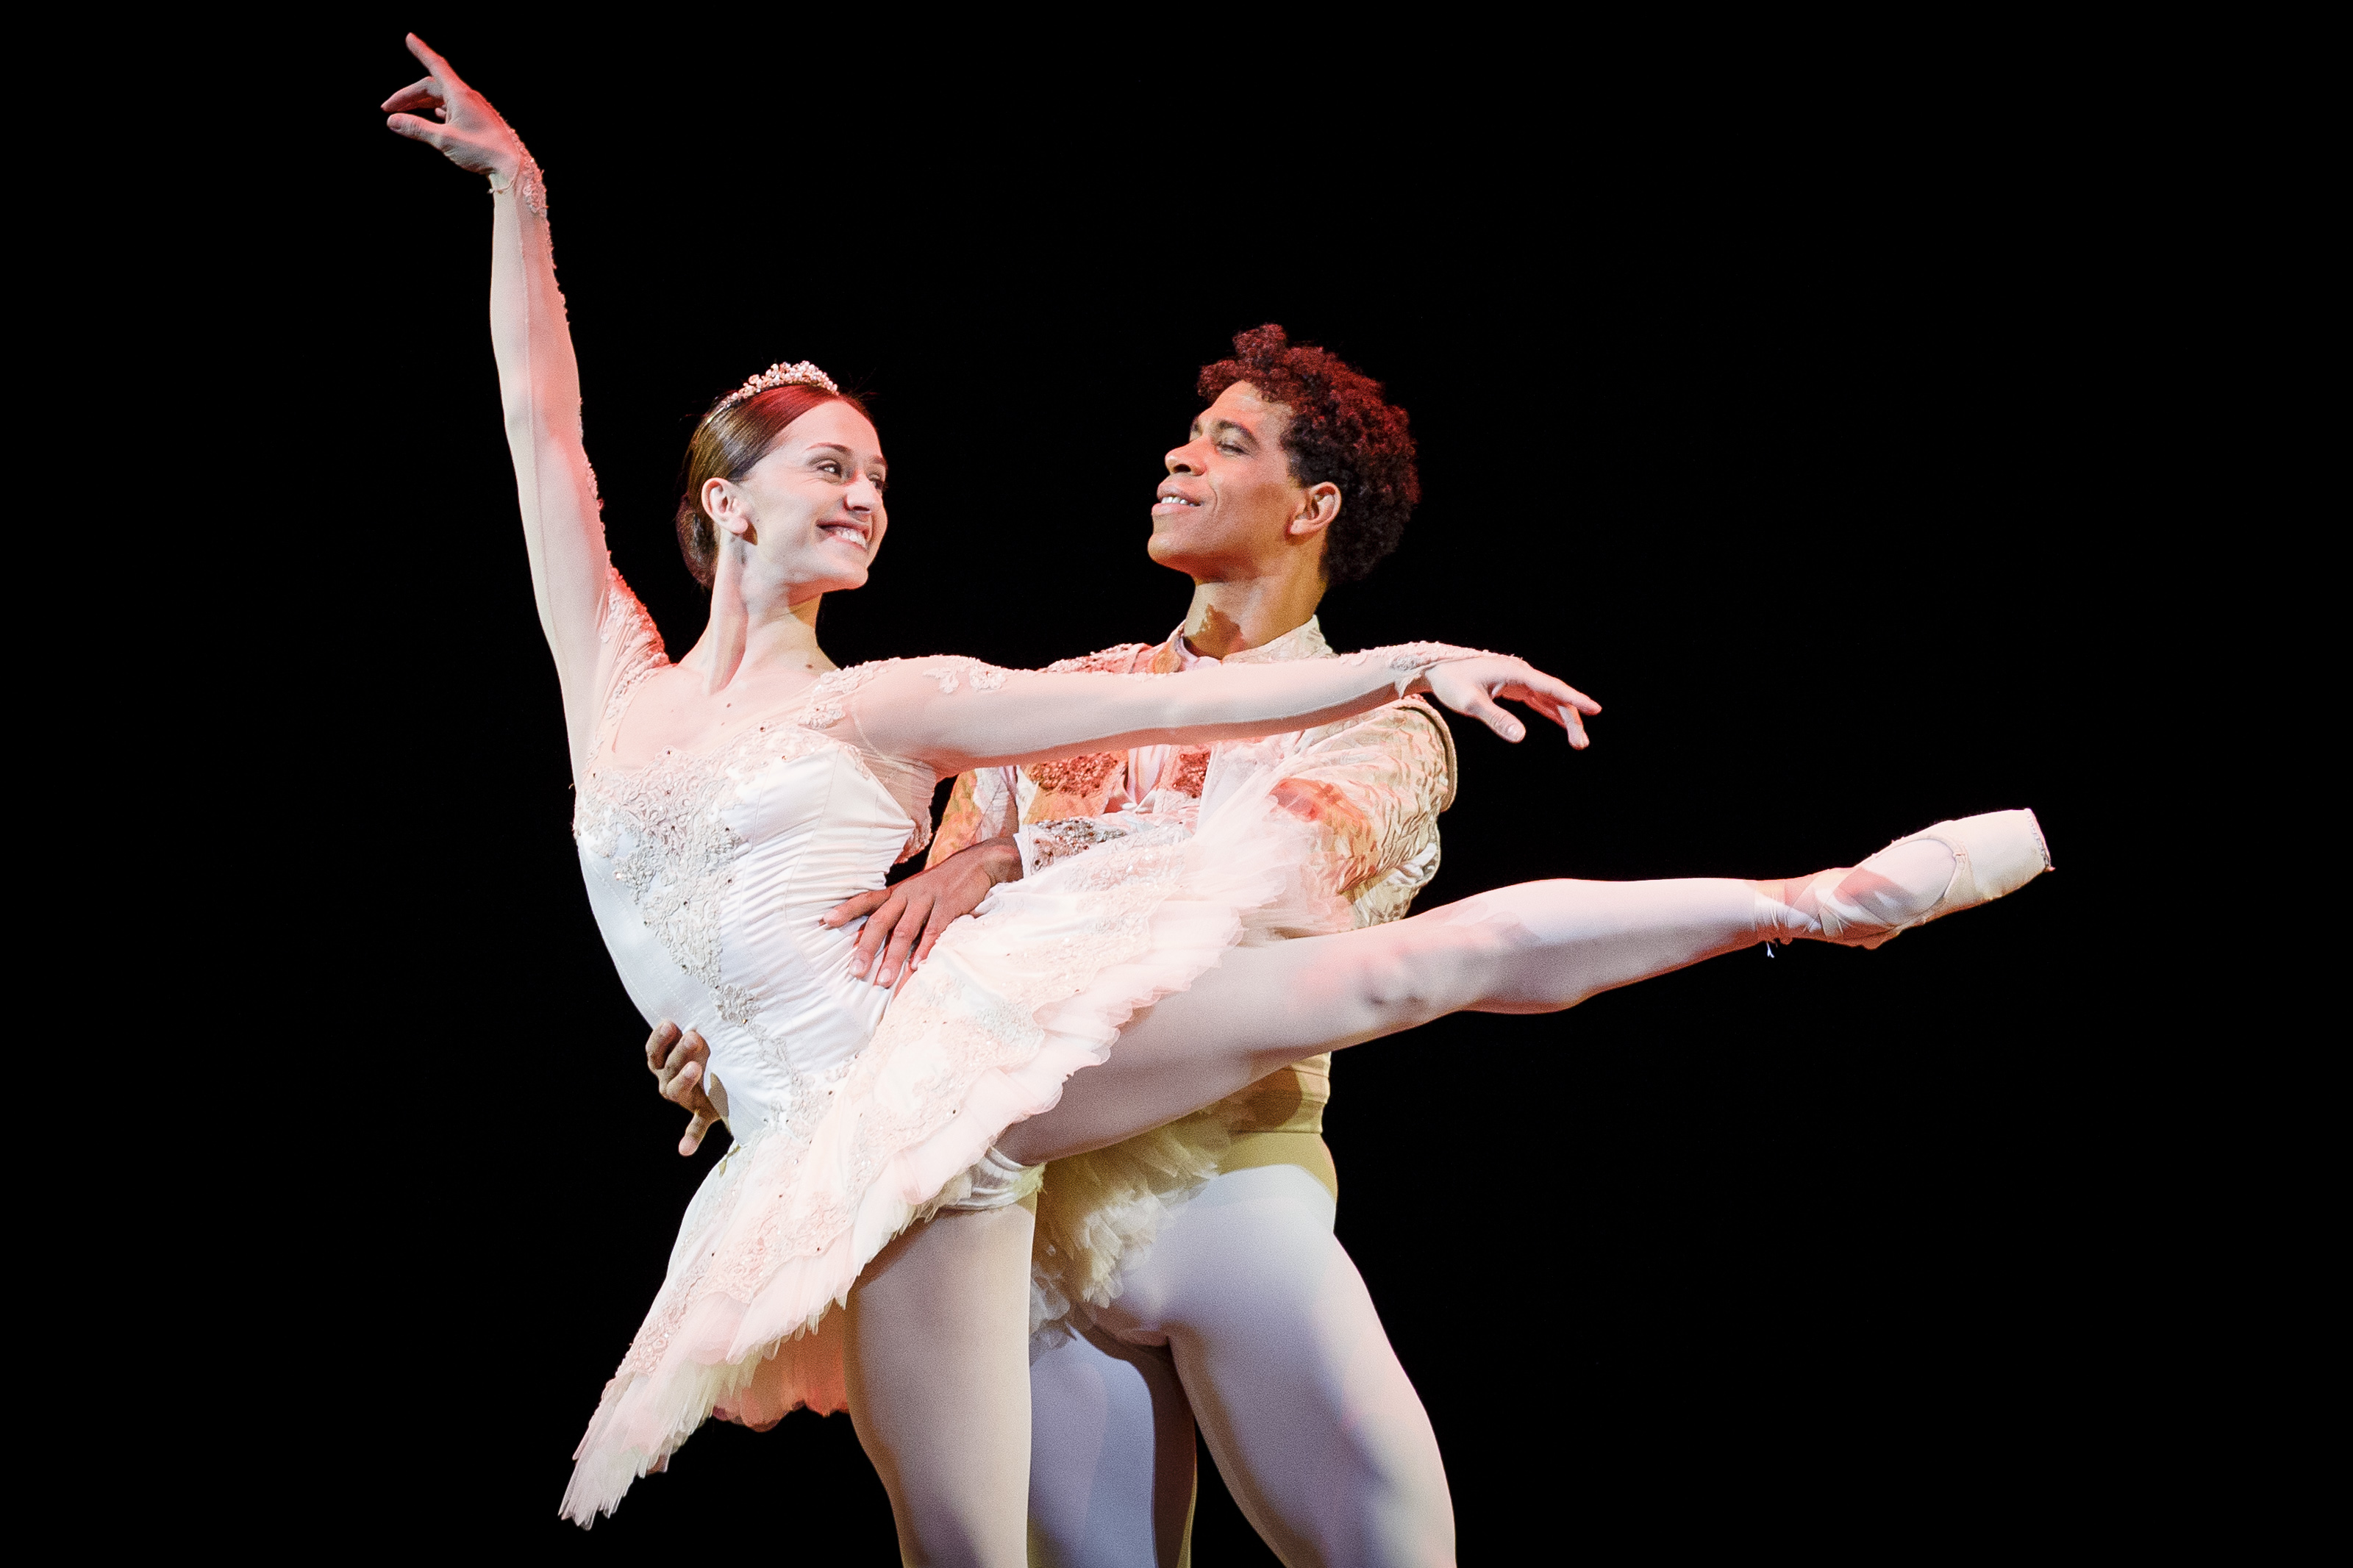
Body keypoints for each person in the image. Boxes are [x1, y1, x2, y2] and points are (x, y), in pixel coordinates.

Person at [383, 37, 2052, 1564]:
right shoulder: (661, 675)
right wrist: (520, 197)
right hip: (857, 1140)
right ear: (721, 503)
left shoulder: (890, 697)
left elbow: (1255, 798)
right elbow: (545, 438)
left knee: (1398, 977)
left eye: (877, 477)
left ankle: (1821, 898)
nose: (870, 496)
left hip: (1157, 1143)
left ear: (1312, 501)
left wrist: (1408, 657)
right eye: (835, 467)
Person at [654, 324, 1463, 1567]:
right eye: (1191, 434)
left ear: (1314, 507)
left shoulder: (1378, 722)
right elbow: (910, 965)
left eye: (1225, 443)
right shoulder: (1059, 696)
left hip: (1233, 1189)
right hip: (1030, 1228)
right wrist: (745, 1037)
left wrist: (1009, 855)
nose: (1179, 458)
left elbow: (1262, 885)